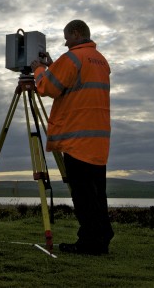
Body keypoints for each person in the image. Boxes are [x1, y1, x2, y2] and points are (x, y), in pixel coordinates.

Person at [30, 19, 114, 255]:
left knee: (84, 196)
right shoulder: (99, 60)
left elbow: (49, 88)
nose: (65, 42)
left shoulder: (73, 58)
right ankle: (102, 236)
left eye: (67, 37)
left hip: (78, 139)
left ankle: (90, 243)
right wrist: (54, 65)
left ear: (77, 34)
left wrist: (39, 69)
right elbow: (74, 82)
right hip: (97, 140)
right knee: (97, 195)